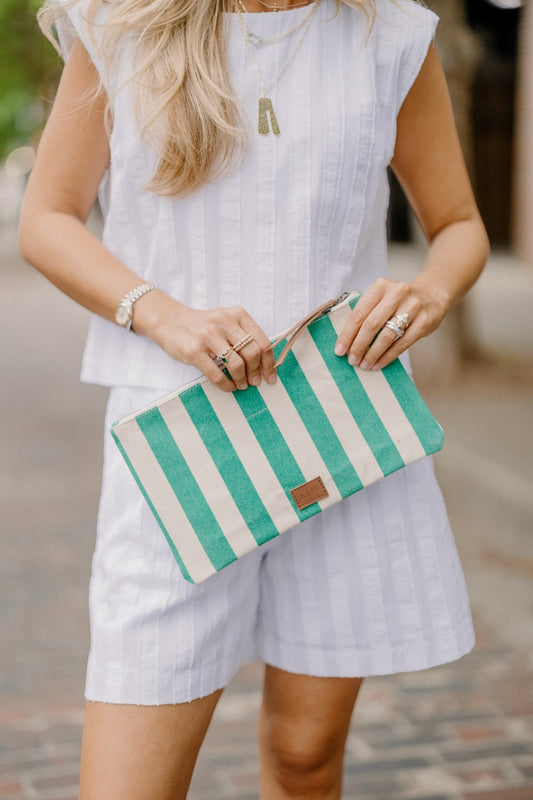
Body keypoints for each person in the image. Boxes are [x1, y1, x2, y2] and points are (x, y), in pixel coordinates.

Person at [18, 0, 489, 796]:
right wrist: (158, 313)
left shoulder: (391, 35)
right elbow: (46, 219)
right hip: (177, 448)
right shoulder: (116, 23)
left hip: (341, 432)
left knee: (306, 758)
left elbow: (459, 223)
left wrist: (429, 296)